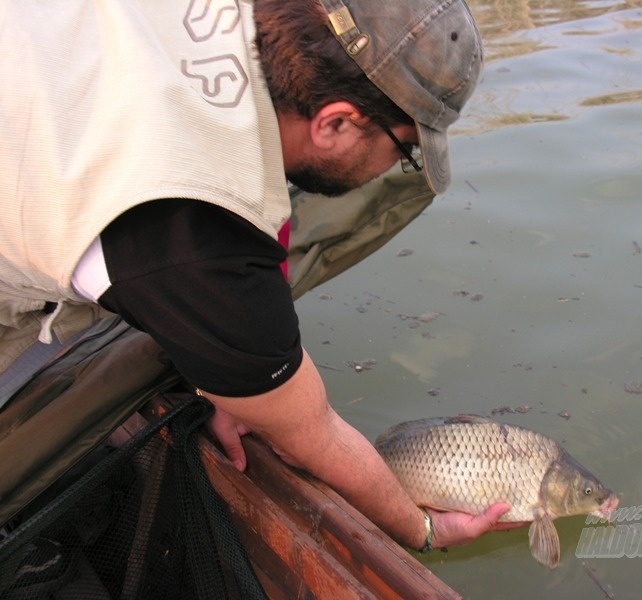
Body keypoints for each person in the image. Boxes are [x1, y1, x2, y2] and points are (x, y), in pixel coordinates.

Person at [0, 0, 520, 553]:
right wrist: (428, 529)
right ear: (337, 122)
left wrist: (233, 379)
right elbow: (311, 432)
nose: (395, 169)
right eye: (406, 151)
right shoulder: (194, 228)